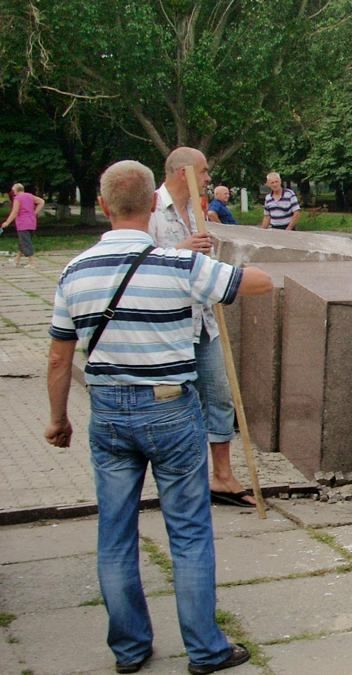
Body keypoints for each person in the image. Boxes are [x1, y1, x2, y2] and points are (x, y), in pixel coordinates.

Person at [45, 159, 271, 674]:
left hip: (106, 413)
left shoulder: (73, 272)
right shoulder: (177, 266)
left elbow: (59, 358)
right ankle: (205, 650)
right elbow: (255, 283)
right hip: (171, 409)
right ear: (153, 205)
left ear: (103, 207)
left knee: (115, 531)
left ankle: (128, 649)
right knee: (188, 531)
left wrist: (58, 419)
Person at [149, 147, 254, 508]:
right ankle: (178, 480)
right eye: (204, 170)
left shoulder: (197, 209)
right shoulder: (150, 208)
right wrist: (182, 248)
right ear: (183, 173)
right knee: (171, 404)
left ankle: (222, 475)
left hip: (204, 321)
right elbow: (138, 264)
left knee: (219, 394)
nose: (209, 176)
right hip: (169, 326)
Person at [1, 183, 46, 267]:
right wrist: (35, 212)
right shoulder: (30, 196)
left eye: (13, 190)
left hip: (23, 223)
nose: (13, 191)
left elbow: (15, 212)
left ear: (16, 190)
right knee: (23, 242)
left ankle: (32, 263)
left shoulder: (17, 198)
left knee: (26, 243)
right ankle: (16, 260)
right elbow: (41, 202)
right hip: (32, 222)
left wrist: (7, 222)